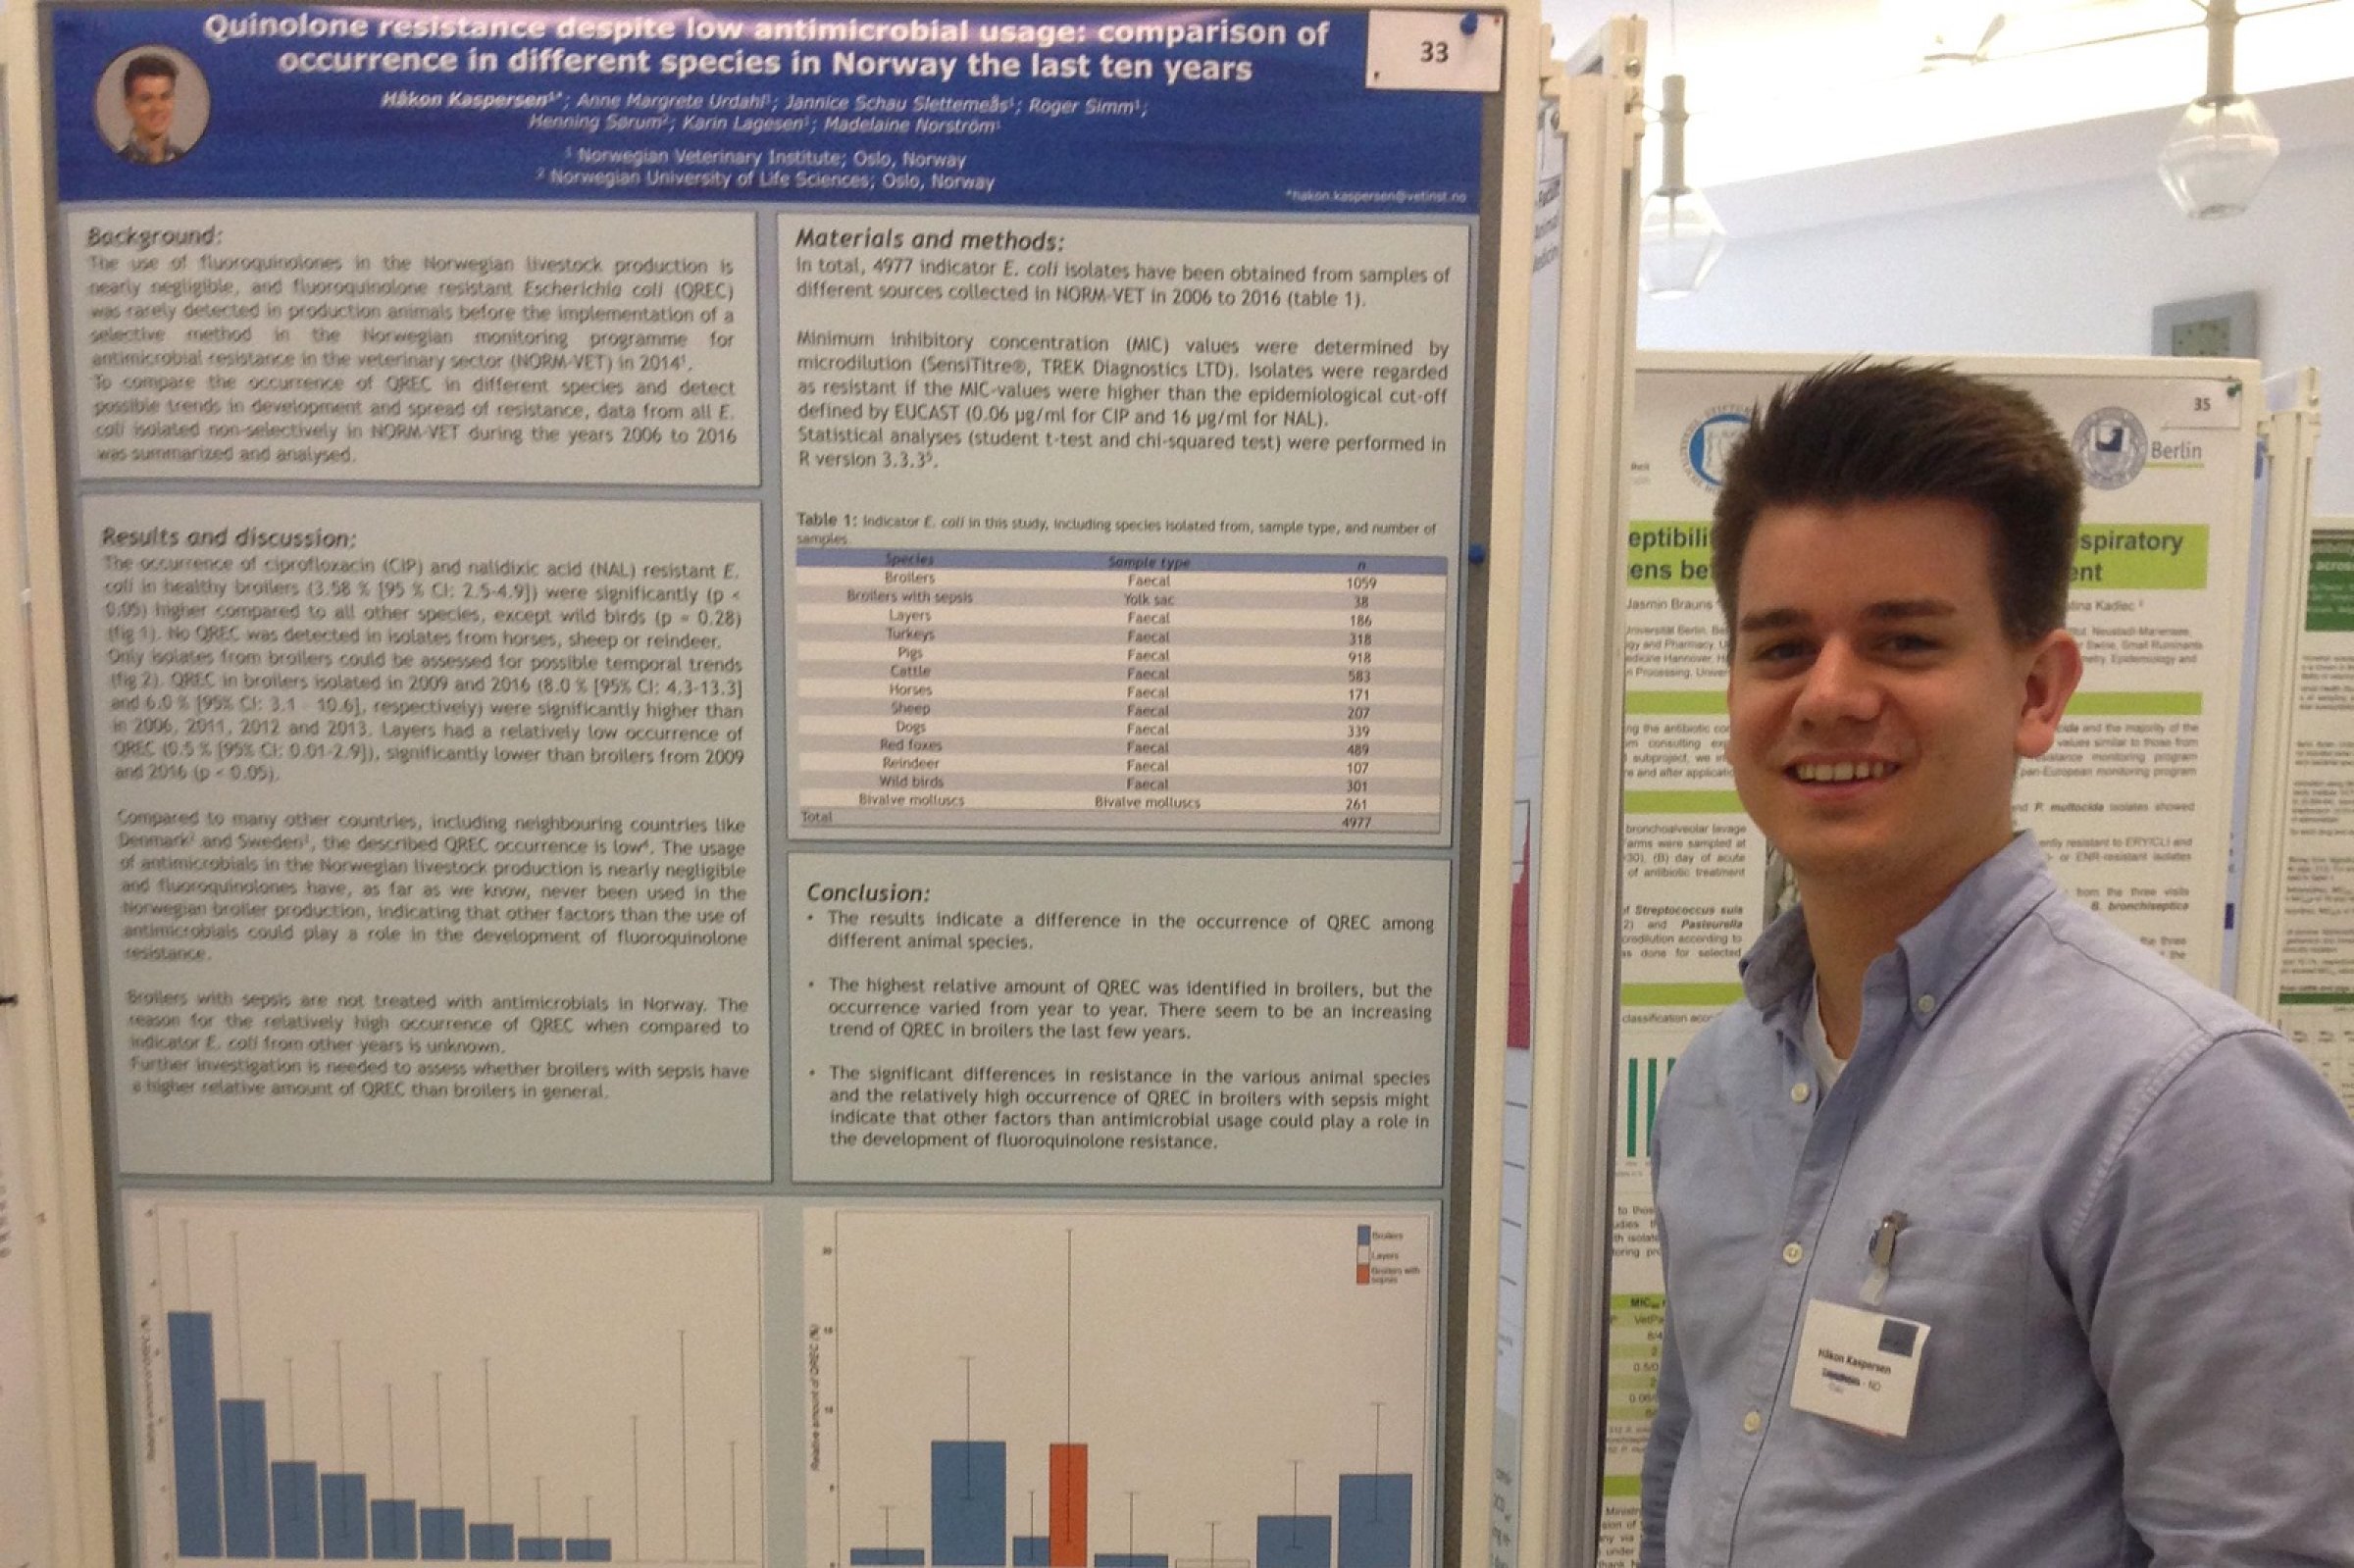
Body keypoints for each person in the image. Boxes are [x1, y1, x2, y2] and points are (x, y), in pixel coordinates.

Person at [1638, 361, 2354, 1566]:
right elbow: (1690, 1460)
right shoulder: (1720, 1081)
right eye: (1782, 648)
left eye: (1904, 642)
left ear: (2037, 691)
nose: (1830, 695)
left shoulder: (2185, 1105)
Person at [117, 54, 185, 165]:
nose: (158, 107)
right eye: (146, 99)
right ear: (128, 105)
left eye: (165, 97)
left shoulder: (190, 162)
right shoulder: (112, 164)